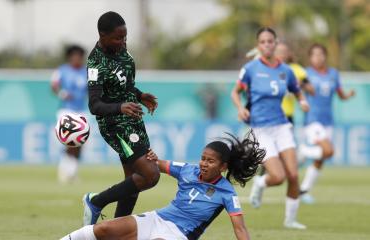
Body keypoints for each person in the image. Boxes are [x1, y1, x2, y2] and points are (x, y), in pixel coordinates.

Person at [60, 131, 265, 240]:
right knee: (103, 229)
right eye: (203, 158)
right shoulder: (187, 170)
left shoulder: (227, 193)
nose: (203, 163)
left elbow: (240, 229)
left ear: (223, 167)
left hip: (178, 234)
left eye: (210, 161)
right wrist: (148, 158)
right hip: (157, 218)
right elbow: (155, 165)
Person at [83, 11, 159, 224]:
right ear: (102, 35)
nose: (123, 42)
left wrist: (140, 95)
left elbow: (124, 85)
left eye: (125, 37)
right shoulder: (95, 64)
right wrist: (120, 107)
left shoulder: (121, 49)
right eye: (118, 38)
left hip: (133, 119)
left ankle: (116, 231)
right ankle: (96, 201)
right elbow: (94, 105)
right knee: (150, 174)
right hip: (115, 125)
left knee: (132, 180)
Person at [231, 27, 310, 229]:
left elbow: (297, 90)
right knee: (278, 177)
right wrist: (240, 108)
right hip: (261, 129)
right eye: (263, 41)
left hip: (282, 126)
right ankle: (260, 183)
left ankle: (290, 220)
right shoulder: (250, 69)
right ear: (258, 45)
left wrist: (302, 101)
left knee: (293, 175)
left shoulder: (286, 70)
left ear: (275, 44)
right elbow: (235, 92)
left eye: (270, 41)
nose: (267, 44)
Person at [299, 43, 355, 204]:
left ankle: (304, 190)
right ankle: (304, 151)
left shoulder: (333, 74)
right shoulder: (306, 73)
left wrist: (348, 95)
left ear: (325, 56)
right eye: (314, 55)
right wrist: (304, 89)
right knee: (329, 151)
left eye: (321, 54)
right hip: (312, 120)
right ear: (310, 58)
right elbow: (297, 90)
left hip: (327, 120)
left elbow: (340, 94)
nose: (318, 57)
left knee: (321, 158)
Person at [51, 44, 88, 183]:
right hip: (66, 110)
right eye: (75, 56)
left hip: (81, 110)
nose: (78, 58)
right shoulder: (62, 70)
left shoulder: (86, 72)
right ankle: (65, 170)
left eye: (80, 56)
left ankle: (72, 171)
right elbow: (54, 85)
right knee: (70, 140)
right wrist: (62, 93)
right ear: (70, 57)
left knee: (80, 143)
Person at [275, 42, 315, 125]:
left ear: (288, 54)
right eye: (279, 52)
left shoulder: (296, 70)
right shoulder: (268, 69)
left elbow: (312, 90)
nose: (281, 55)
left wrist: (299, 84)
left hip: (287, 115)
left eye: (284, 52)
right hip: (269, 115)